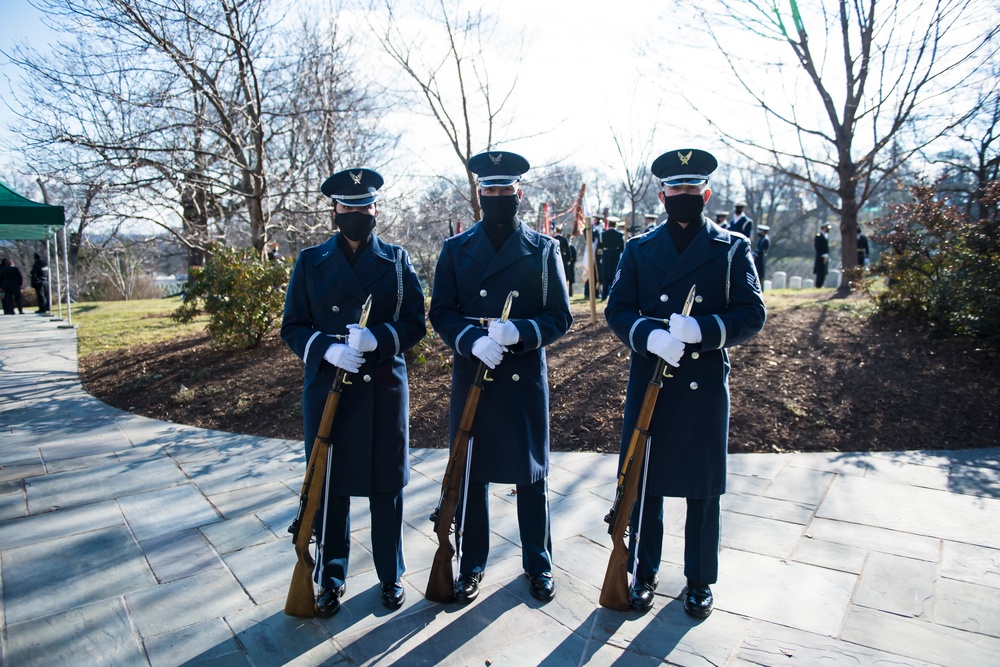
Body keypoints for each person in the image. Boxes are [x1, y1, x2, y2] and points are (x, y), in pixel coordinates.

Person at [605, 148, 766, 618]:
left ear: (706, 193)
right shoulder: (638, 249)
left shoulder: (732, 247)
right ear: (662, 195)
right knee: (646, 481)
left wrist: (705, 331)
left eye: (692, 188)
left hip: (702, 384)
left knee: (703, 486)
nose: (684, 195)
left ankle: (699, 580)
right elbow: (618, 310)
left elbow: (753, 314)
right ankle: (643, 572)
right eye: (675, 189)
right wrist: (648, 335)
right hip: (651, 375)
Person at [280, 168, 426, 618]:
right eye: (348, 207)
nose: (356, 214)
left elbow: (416, 323)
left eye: (364, 207)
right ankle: (330, 577)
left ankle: (391, 574)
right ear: (334, 212)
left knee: (387, 488)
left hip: (382, 387)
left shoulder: (397, 261)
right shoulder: (310, 262)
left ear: (375, 210)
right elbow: (293, 327)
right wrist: (326, 350)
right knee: (331, 487)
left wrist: (377, 340)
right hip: (329, 389)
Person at [428, 150, 572, 604]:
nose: (496, 197)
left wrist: (522, 332)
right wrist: (471, 341)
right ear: (479, 193)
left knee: (531, 475)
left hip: (522, 375)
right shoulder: (455, 249)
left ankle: (539, 563)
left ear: (519, 193)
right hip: (474, 374)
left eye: (504, 190)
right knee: (472, 474)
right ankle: (472, 565)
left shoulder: (543, 249)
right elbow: (442, 313)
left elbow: (560, 316)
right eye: (488, 190)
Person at [598, 219, 625, 300]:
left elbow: (599, 246)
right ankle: (613, 295)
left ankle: (604, 295)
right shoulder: (620, 234)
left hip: (606, 255)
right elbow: (622, 247)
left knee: (605, 274)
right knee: (614, 274)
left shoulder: (603, 234)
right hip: (616, 255)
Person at [554, 226, 577, 296]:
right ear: (561, 232)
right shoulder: (564, 240)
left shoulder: (552, 239)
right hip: (563, 259)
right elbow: (567, 250)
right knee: (565, 276)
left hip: (554, 258)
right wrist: (569, 259)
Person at [814, 223, 831, 288]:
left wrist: (827, 255)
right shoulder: (819, 235)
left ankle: (822, 284)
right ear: (823, 228)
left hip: (825, 256)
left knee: (824, 270)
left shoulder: (826, 235)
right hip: (820, 256)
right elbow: (817, 246)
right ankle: (818, 285)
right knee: (820, 270)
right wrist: (822, 254)